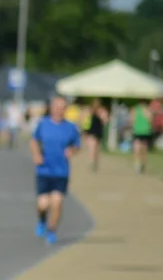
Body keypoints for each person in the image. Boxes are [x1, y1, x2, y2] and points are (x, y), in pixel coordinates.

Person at [31, 95, 80, 245]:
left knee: (57, 202)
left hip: (61, 172)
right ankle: (41, 221)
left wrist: (72, 150)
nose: (59, 110)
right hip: (44, 170)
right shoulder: (43, 124)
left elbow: (77, 145)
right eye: (57, 107)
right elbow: (34, 140)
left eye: (63, 107)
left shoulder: (70, 128)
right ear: (51, 108)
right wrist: (37, 154)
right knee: (43, 204)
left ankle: (52, 231)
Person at [84, 99, 108, 172]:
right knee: (92, 148)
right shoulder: (89, 110)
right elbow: (84, 119)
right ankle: (92, 162)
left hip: (98, 131)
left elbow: (105, 120)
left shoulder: (102, 111)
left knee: (97, 149)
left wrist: (100, 116)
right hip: (91, 131)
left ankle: (95, 162)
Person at [130, 99, 153, 174]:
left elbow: (150, 120)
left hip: (144, 132)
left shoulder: (145, 110)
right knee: (139, 149)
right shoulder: (138, 110)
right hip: (140, 131)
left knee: (142, 150)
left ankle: (141, 165)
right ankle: (138, 164)